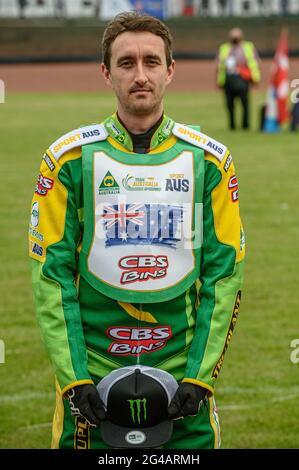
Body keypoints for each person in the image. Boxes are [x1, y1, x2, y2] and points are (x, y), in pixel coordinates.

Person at [29, 11, 245, 449]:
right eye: (126, 63)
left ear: (171, 70)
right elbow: (51, 278)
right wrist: (74, 380)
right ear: (107, 73)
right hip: (91, 381)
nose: (140, 75)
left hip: (184, 380)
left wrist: (201, 377)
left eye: (152, 62)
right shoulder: (67, 159)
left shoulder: (211, 162)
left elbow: (224, 276)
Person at [217, 27, 261, 130]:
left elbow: (255, 63)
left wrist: (255, 79)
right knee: (229, 105)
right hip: (228, 79)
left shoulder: (248, 47)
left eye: (236, 36)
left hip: (242, 78)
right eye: (233, 36)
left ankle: (245, 125)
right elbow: (218, 65)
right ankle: (232, 125)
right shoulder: (224, 48)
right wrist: (219, 81)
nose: (235, 38)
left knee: (245, 104)